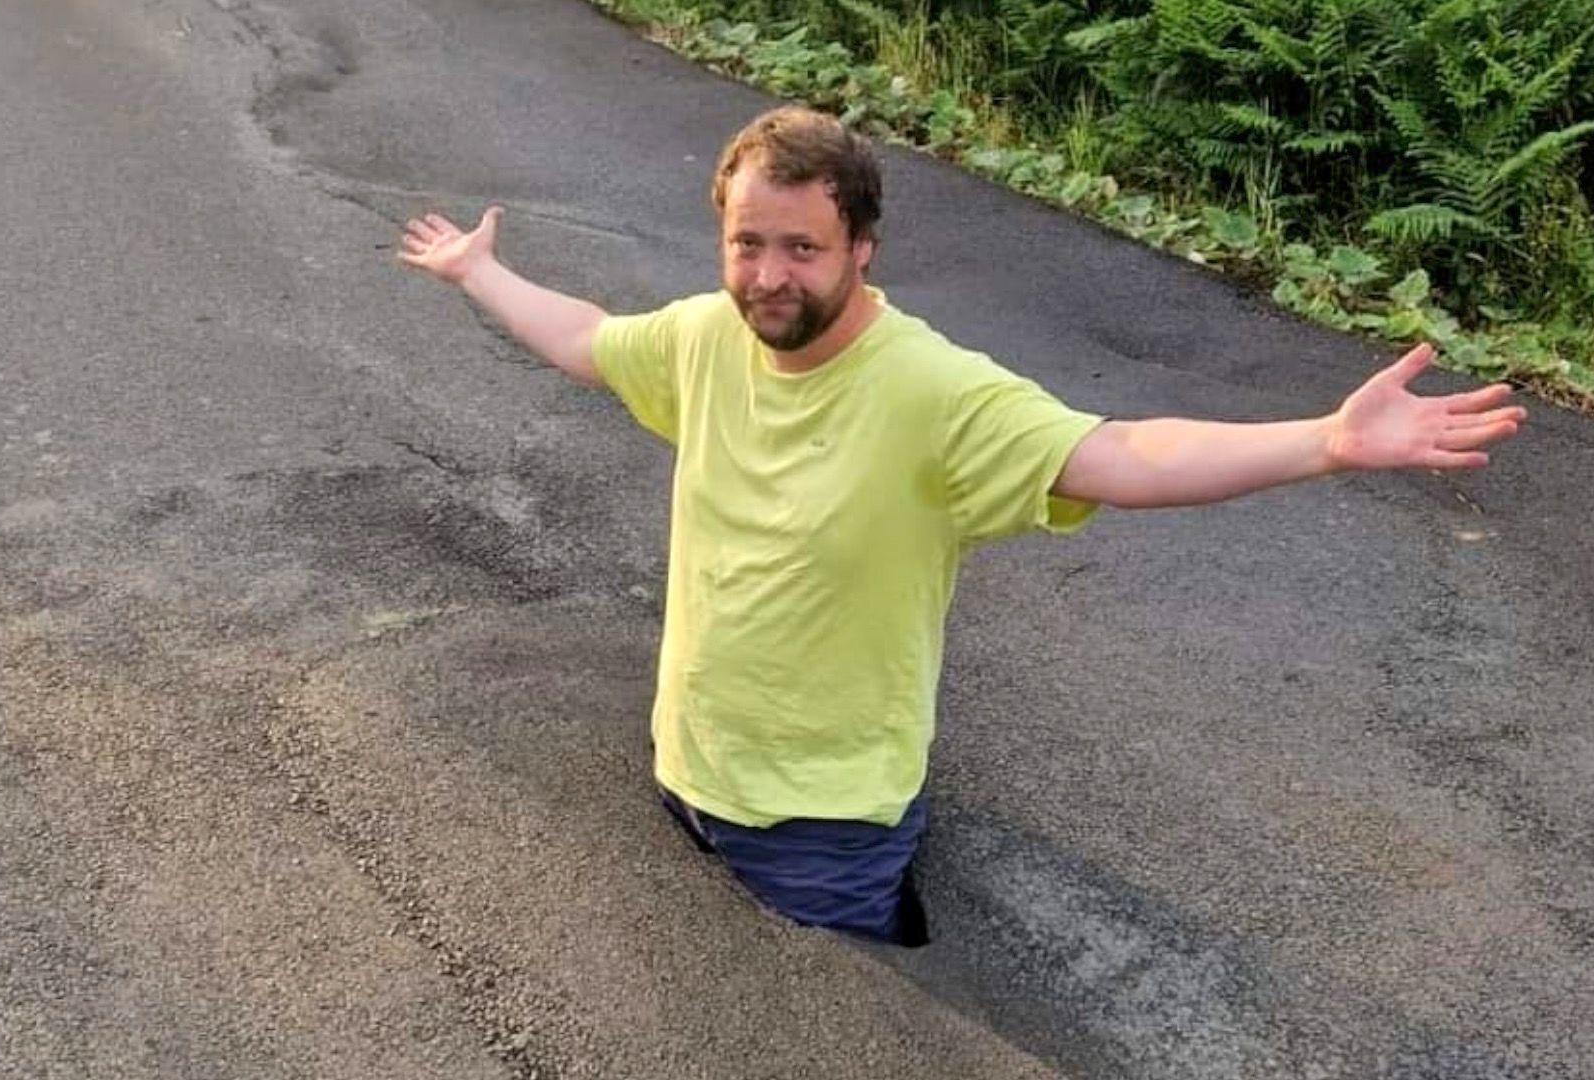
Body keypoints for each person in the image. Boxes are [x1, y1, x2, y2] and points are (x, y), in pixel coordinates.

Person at [395, 106, 1524, 947]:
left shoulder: (932, 390)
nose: (769, 277)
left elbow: (1118, 452)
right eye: (748, 244)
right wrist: (480, 271)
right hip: (686, 765)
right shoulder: (704, 339)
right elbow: (589, 340)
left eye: (802, 248)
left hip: (825, 827)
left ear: (862, 248)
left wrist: (1324, 440)